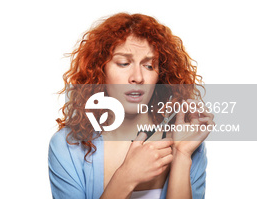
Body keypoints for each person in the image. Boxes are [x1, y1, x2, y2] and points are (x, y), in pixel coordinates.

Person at [48, 13, 214, 199]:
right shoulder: (68, 145)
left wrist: (182, 155)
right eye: (124, 63)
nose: (138, 77)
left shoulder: (188, 142)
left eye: (149, 66)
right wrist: (126, 177)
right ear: (100, 71)